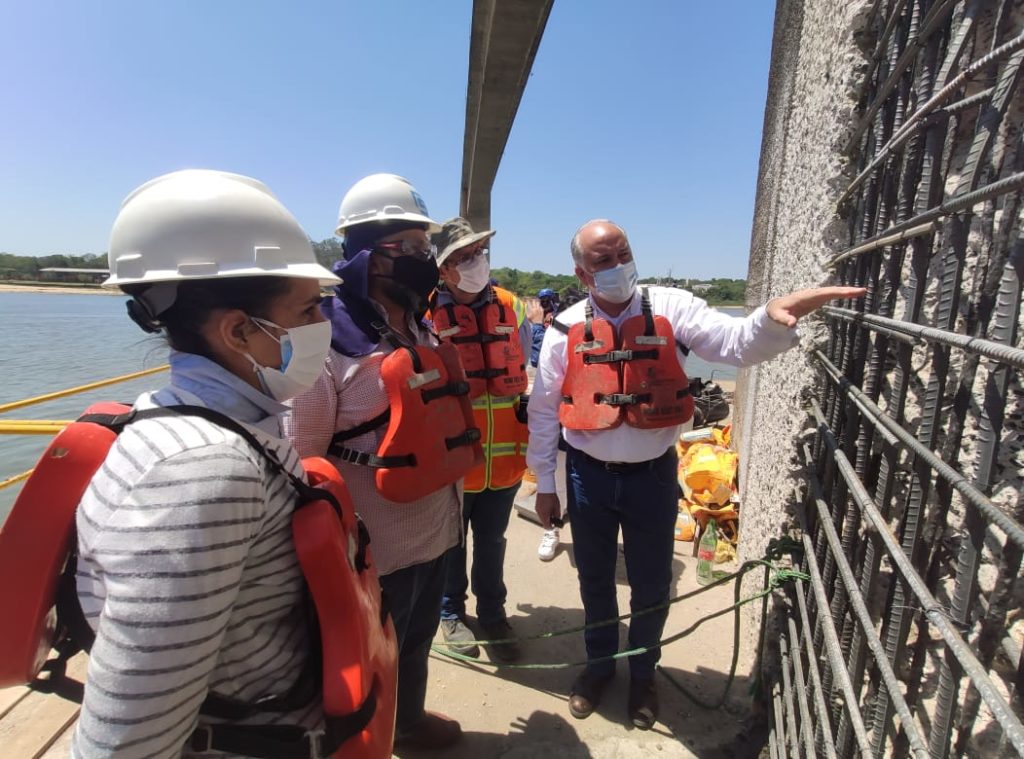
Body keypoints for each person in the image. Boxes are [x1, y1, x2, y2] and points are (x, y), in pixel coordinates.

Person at [527, 219, 865, 730]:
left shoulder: (672, 306)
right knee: (594, 580)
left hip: (653, 478)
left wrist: (772, 319)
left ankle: (643, 674)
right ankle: (599, 668)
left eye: (624, 253)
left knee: (652, 583)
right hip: (587, 477)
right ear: (581, 271)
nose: (618, 266)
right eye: (603, 261)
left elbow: (733, 343)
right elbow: (544, 410)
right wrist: (546, 485)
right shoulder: (561, 327)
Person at [72, 170, 345, 756]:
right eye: (308, 308)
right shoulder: (201, 474)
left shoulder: (200, 422)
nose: (325, 326)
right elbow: (127, 738)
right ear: (239, 331)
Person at [285, 174, 465, 750]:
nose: (423, 259)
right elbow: (304, 462)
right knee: (364, 662)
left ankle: (407, 724)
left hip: (436, 530)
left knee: (415, 644)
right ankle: (369, 743)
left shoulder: (417, 322)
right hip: (371, 554)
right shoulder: (323, 340)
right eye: (407, 249)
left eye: (424, 248)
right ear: (365, 254)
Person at [429, 217, 532, 662]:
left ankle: (493, 614)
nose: (476, 261)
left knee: (493, 541)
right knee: (451, 542)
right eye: (463, 256)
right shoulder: (424, 312)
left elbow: (528, 367)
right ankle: (450, 613)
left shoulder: (513, 307)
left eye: (479, 252)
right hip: (453, 459)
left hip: (506, 458)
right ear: (442, 269)